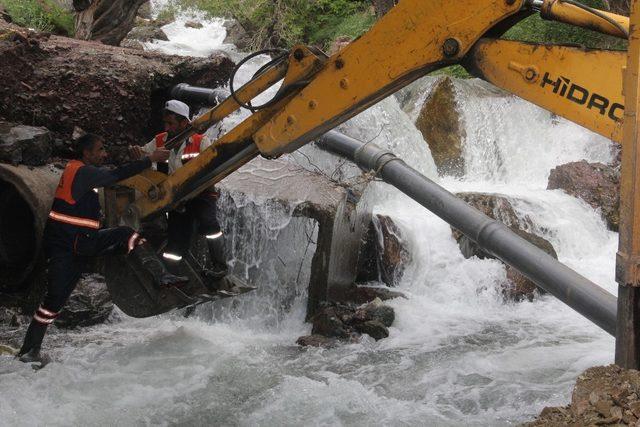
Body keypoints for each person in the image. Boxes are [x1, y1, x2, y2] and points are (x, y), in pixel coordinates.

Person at [17, 133, 187, 364]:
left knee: (129, 236)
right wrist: (150, 159)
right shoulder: (81, 172)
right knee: (53, 302)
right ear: (86, 153)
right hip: (69, 248)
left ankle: (162, 276)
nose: (104, 153)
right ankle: (29, 351)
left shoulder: (78, 171)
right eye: (100, 150)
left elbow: (112, 175)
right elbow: (113, 176)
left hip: (83, 243)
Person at [130, 100, 228, 281]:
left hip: (201, 194)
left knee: (209, 224)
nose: (167, 128)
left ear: (184, 123)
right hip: (175, 200)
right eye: (165, 123)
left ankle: (220, 266)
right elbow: (145, 155)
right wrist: (137, 153)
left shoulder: (200, 142)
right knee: (176, 240)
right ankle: (171, 275)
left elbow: (213, 168)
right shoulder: (160, 140)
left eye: (171, 123)